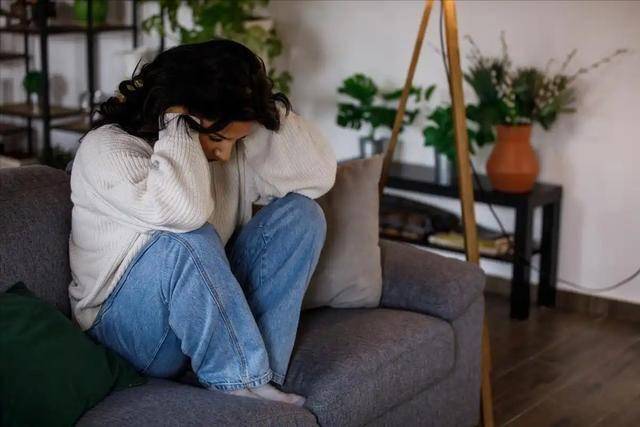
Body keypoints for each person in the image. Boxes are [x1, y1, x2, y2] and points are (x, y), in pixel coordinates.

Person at [68, 39, 337, 406]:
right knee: (188, 235)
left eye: (235, 139)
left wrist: (262, 106)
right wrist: (177, 123)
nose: (224, 153)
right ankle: (237, 382)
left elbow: (316, 178)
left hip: (201, 310)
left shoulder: (225, 146)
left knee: (302, 215)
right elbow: (182, 215)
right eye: (217, 138)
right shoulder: (107, 149)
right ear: (177, 112)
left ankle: (261, 380)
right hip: (125, 331)